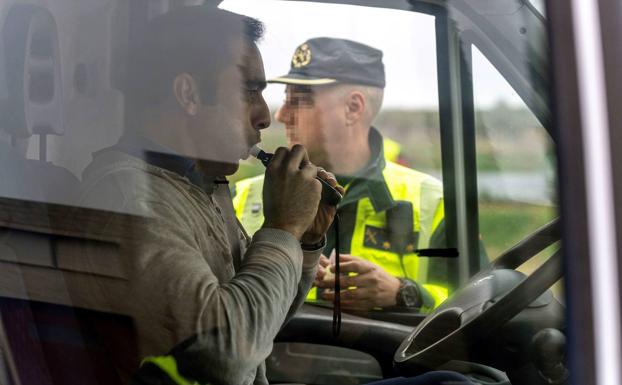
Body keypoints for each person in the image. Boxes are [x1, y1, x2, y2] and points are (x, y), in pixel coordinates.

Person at [77, 7, 341, 385]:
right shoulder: (129, 198)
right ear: (189, 93)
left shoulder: (203, 186)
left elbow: (261, 320)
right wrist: (282, 227)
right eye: (250, 90)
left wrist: (305, 237)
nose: (265, 117)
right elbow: (224, 358)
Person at [234, 38, 452, 312]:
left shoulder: (435, 203)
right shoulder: (239, 196)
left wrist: (405, 293)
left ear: (353, 108)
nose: (280, 114)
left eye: (298, 101)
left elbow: (475, 305)